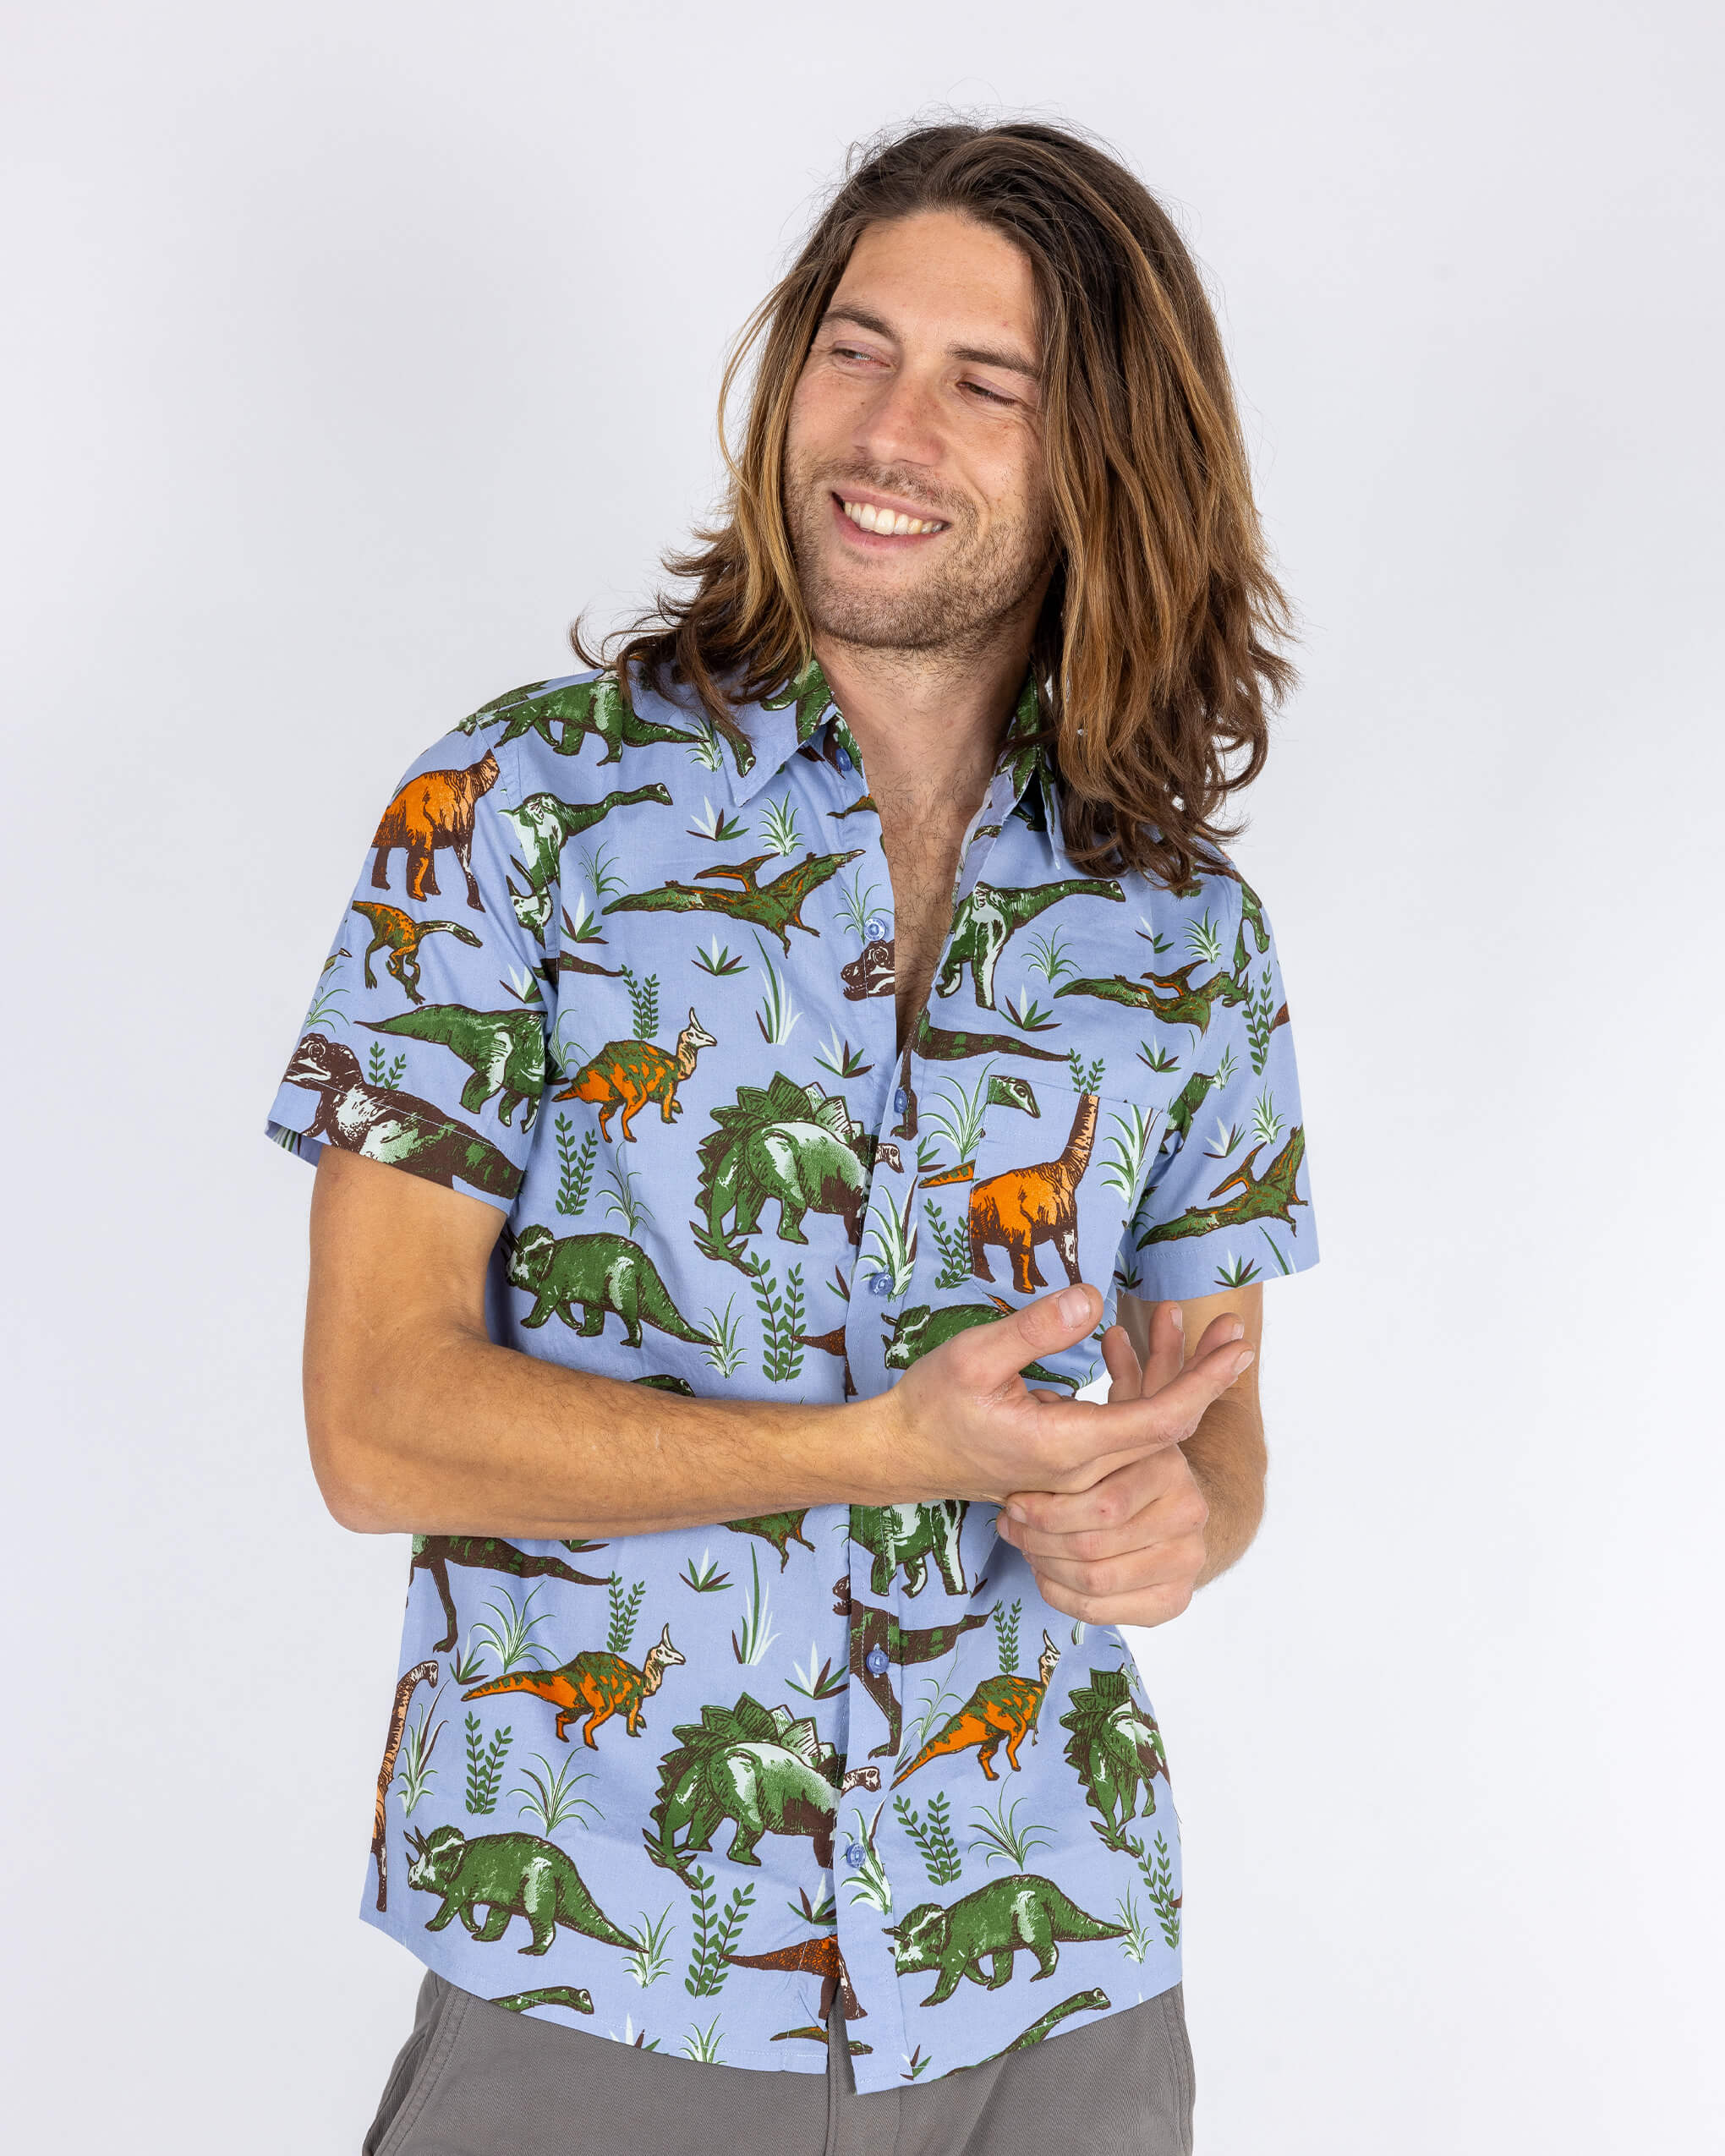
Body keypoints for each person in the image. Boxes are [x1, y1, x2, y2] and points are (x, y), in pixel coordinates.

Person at [265, 117, 1319, 2156]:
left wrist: (1174, 1520)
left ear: (1113, 459)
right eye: (856, 348)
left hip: (1058, 1979)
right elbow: (374, 1423)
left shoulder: (1187, 931)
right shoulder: (515, 813)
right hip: (616, 1978)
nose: (886, 431)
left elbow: (1222, 1423)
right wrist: (877, 1450)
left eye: (986, 383)